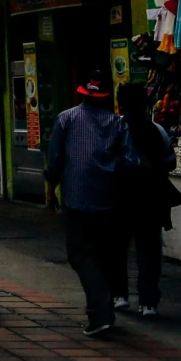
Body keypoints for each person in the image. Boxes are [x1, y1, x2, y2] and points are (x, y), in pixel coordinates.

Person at [44, 76, 134, 338]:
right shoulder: (119, 123)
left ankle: (101, 313)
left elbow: (55, 158)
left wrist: (51, 191)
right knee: (105, 254)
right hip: (109, 199)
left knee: (81, 254)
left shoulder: (66, 119)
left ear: (82, 95)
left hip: (76, 196)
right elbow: (131, 161)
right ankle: (106, 308)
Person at [112, 81, 175, 318]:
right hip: (151, 198)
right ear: (143, 104)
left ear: (119, 104)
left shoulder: (112, 129)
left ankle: (119, 295)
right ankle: (148, 302)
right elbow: (170, 160)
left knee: (117, 246)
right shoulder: (156, 130)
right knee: (148, 250)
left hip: (119, 197)